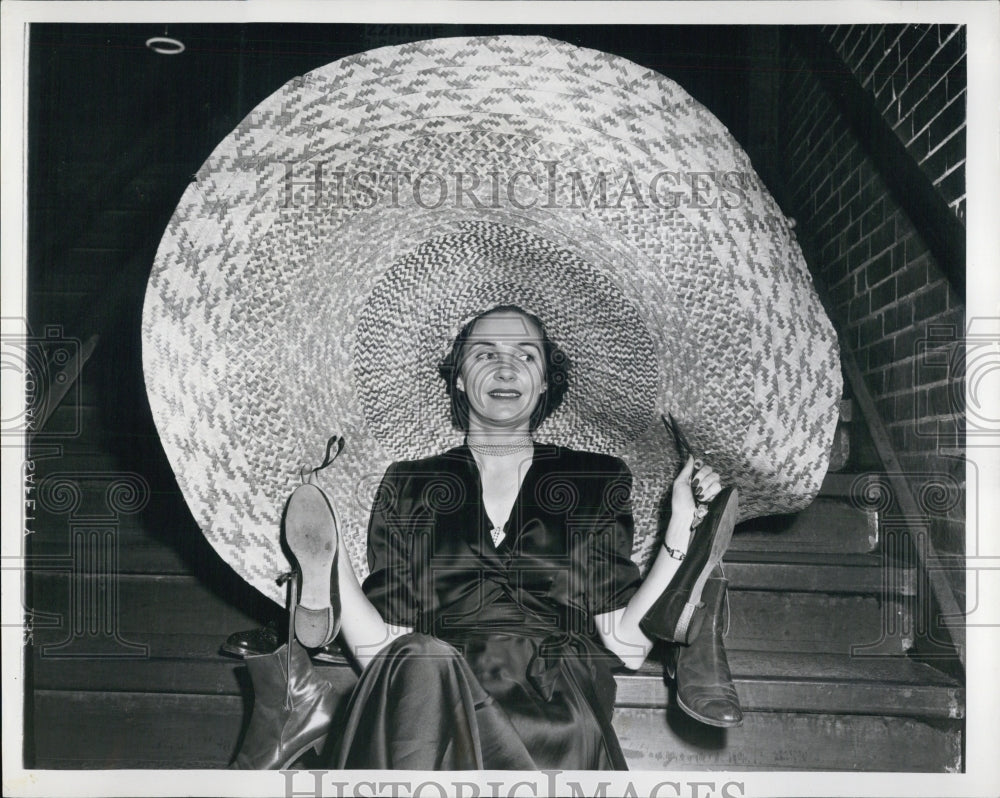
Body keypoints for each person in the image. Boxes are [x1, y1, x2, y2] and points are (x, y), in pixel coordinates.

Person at [233, 305, 739, 771]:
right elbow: (378, 652)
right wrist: (333, 548)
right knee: (419, 659)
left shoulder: (595, 480)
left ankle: (303, 701)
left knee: (423, 665)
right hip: (431, 697)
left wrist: (680, 524)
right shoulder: (410, 485)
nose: (505, 368)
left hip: (554, 701)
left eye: (526, 355)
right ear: (457, 378)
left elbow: (627, 645)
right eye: (484, 354)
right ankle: (324, 574)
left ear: (545, 383)